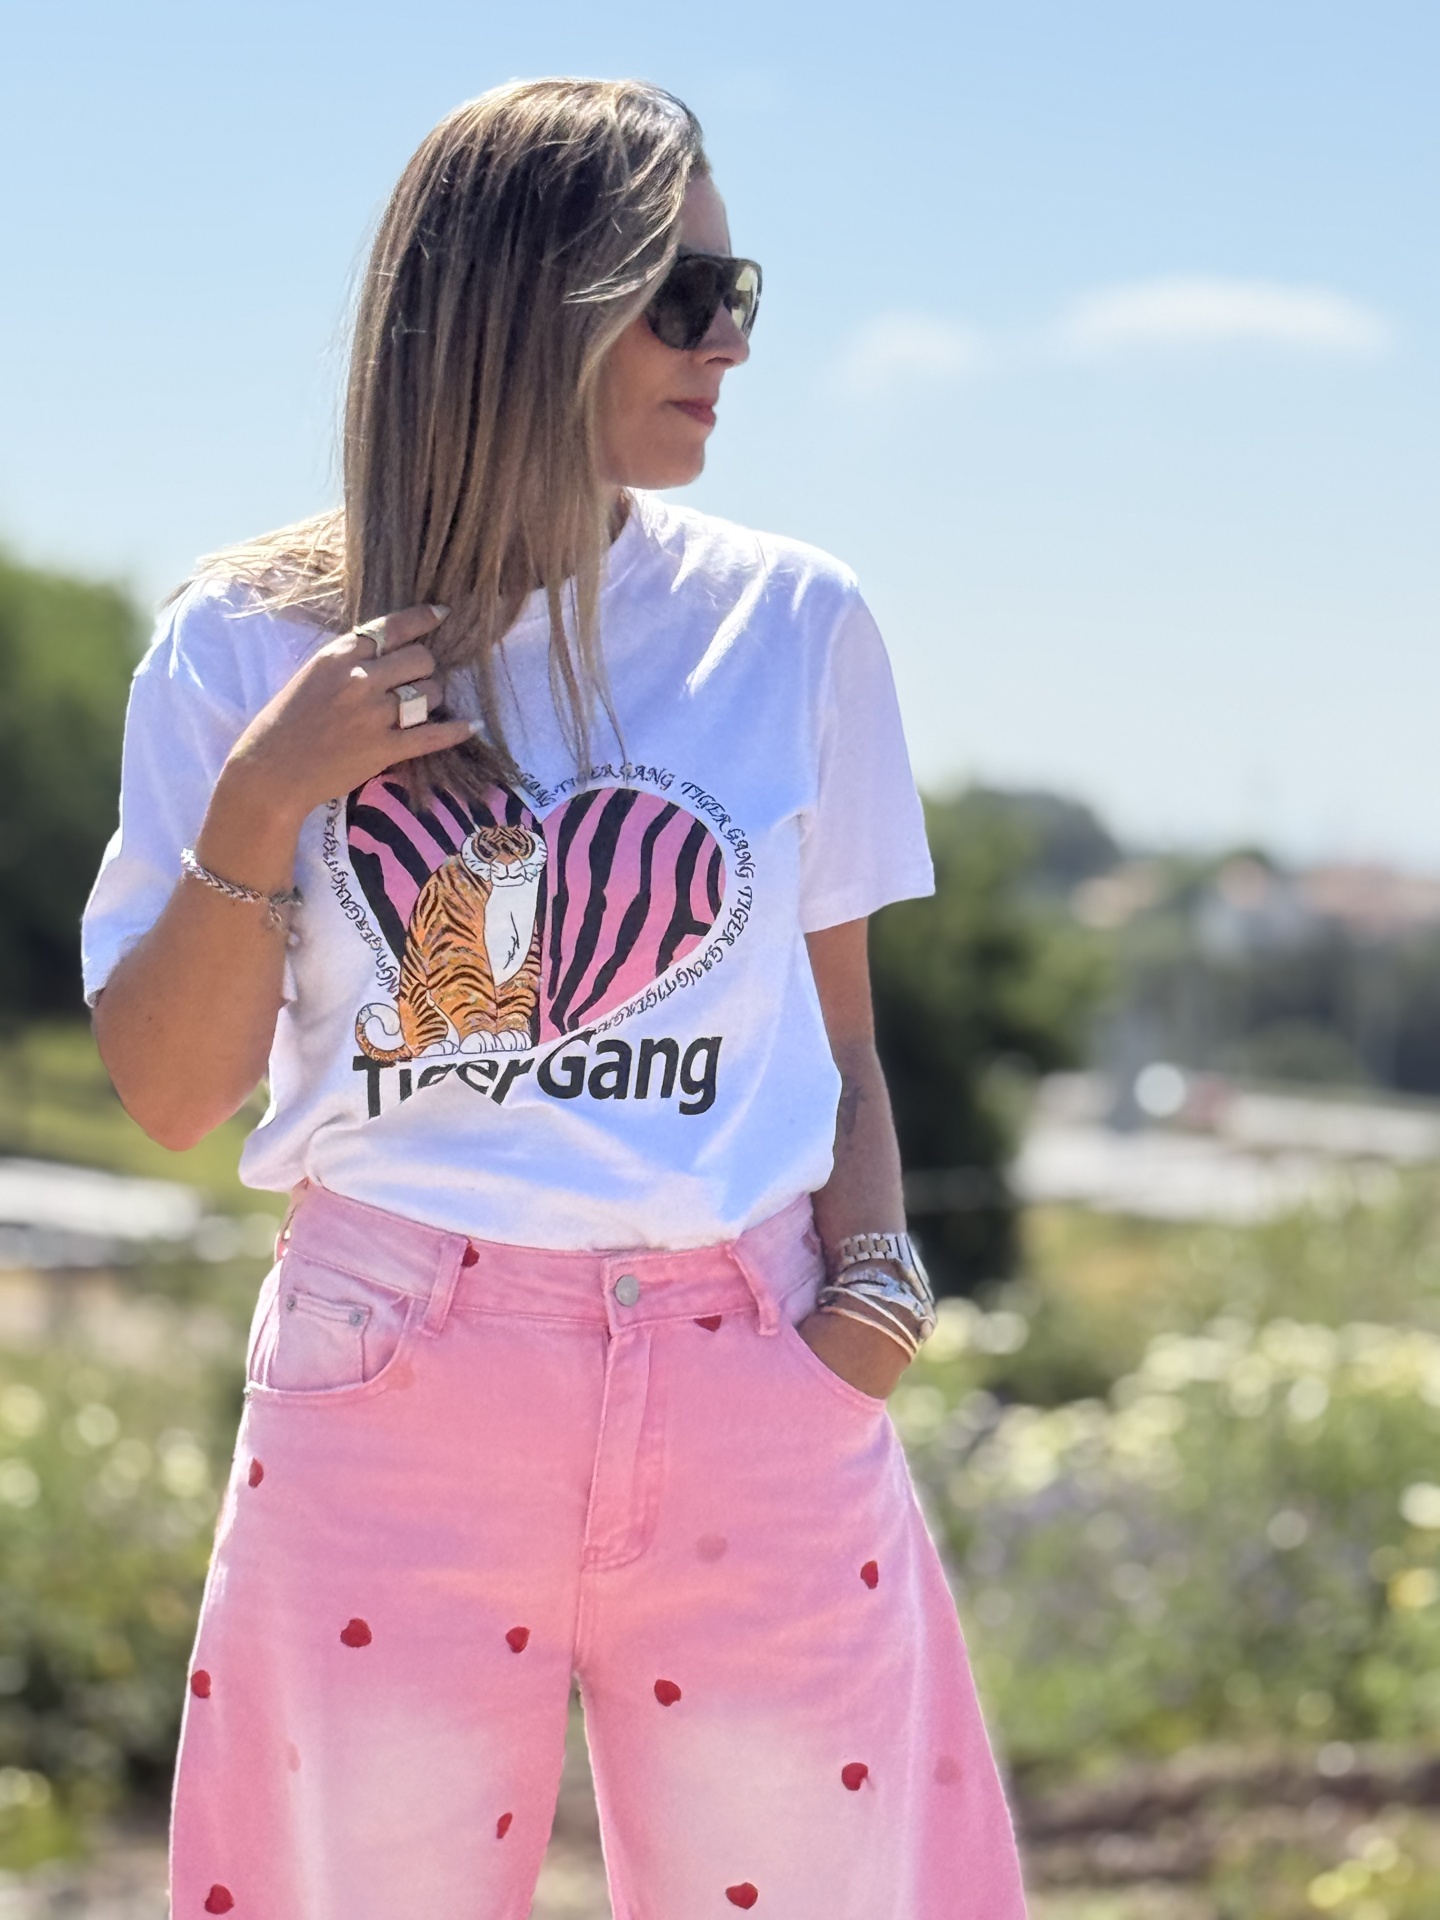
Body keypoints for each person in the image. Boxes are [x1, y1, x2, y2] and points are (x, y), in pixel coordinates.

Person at [83, 78, 1028, 1920]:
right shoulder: (244, 643)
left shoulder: (797, 625)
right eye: (685, 298)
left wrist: (872, 1306)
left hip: (758, 1365)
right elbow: (171, 1095)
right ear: (529, 309)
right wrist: (267, 797)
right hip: (394, 1376)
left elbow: (842, 1043)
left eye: (738, 293)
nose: (730, 344)